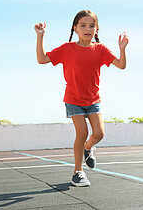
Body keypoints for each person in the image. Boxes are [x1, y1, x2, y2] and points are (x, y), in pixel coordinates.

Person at [34, 10, 128, 186]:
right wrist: (40, 36)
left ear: (97, 29)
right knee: (82, 132)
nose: (88, 29)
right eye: (83, 25)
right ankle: (78, 172)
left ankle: (87, 148)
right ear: (75, 28)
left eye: (92, 25)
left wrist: (122, 49)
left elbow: (121, 65)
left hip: (93, 100)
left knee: (99, 133)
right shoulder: (67, 49)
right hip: (73, 99)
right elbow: (42, 59)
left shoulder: (100, 49)